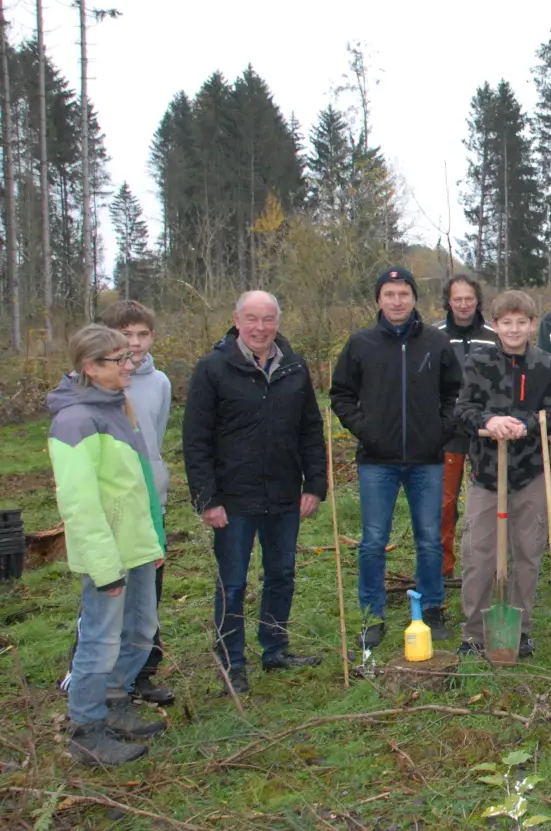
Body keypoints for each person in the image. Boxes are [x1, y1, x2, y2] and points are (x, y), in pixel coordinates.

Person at [183, 291, 327, 695]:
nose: (260, 327)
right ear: (236, 320)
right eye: (252, 319)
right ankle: (232, 662)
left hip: (284, 494)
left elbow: (311, 430)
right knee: (231, 583)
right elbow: (196, 439)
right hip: (233, 499)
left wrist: (314, 485)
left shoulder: (294, 367)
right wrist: (207, 499)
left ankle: (275, 649)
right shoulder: (213, 368)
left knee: (280, 574)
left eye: (268, 319)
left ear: (278, 321)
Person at [50, 324, 166, 766]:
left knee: (139, 632)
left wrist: (154, 538)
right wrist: (104, 567)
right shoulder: (75, 420)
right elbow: (79, 504)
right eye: (119, 360)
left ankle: (118, 704)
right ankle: (86, 728)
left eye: (129, 357)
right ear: (90, 367)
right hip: (108, 556)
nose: (130, 364)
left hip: (137, 546)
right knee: (100, 641)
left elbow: (136, 485)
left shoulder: (120, 405)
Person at [331, 267, 462, 650]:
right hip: (377, 461)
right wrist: (367, 430)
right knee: (373, 541)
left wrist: (439, 431)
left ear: (413, 298)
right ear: (378, 300)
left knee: (429, 540)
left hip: (427, 459)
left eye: (403, 293)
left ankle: (433, 608)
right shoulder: (361, 344)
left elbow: (456, 393)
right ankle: (372, 616)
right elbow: (340, 395)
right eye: (389, 294)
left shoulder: (436, 343)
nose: (397, 301)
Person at [454, 290, 551, 659]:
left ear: (532, 325)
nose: (514, 329)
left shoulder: (546, 364)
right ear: (495, 325)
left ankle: (521, 630)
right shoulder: (478, 361)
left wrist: (526, 424)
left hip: (529, 473)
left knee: (528, 553)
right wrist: (490, 421)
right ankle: (474, 634)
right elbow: (463, 409)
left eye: (522, 322)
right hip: (486, 474)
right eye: (506, 322)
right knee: (480, 554)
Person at [435, 274, 500, 581]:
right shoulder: (433, 335)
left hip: (484, 431)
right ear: (448, 301)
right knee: (444, 503)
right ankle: (443, 568)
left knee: (489, 501)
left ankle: (486, 566)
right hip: (446, 433)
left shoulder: (492, 335)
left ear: (478, 300)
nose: (463, 305)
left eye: (469, 299)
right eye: (457, 299)